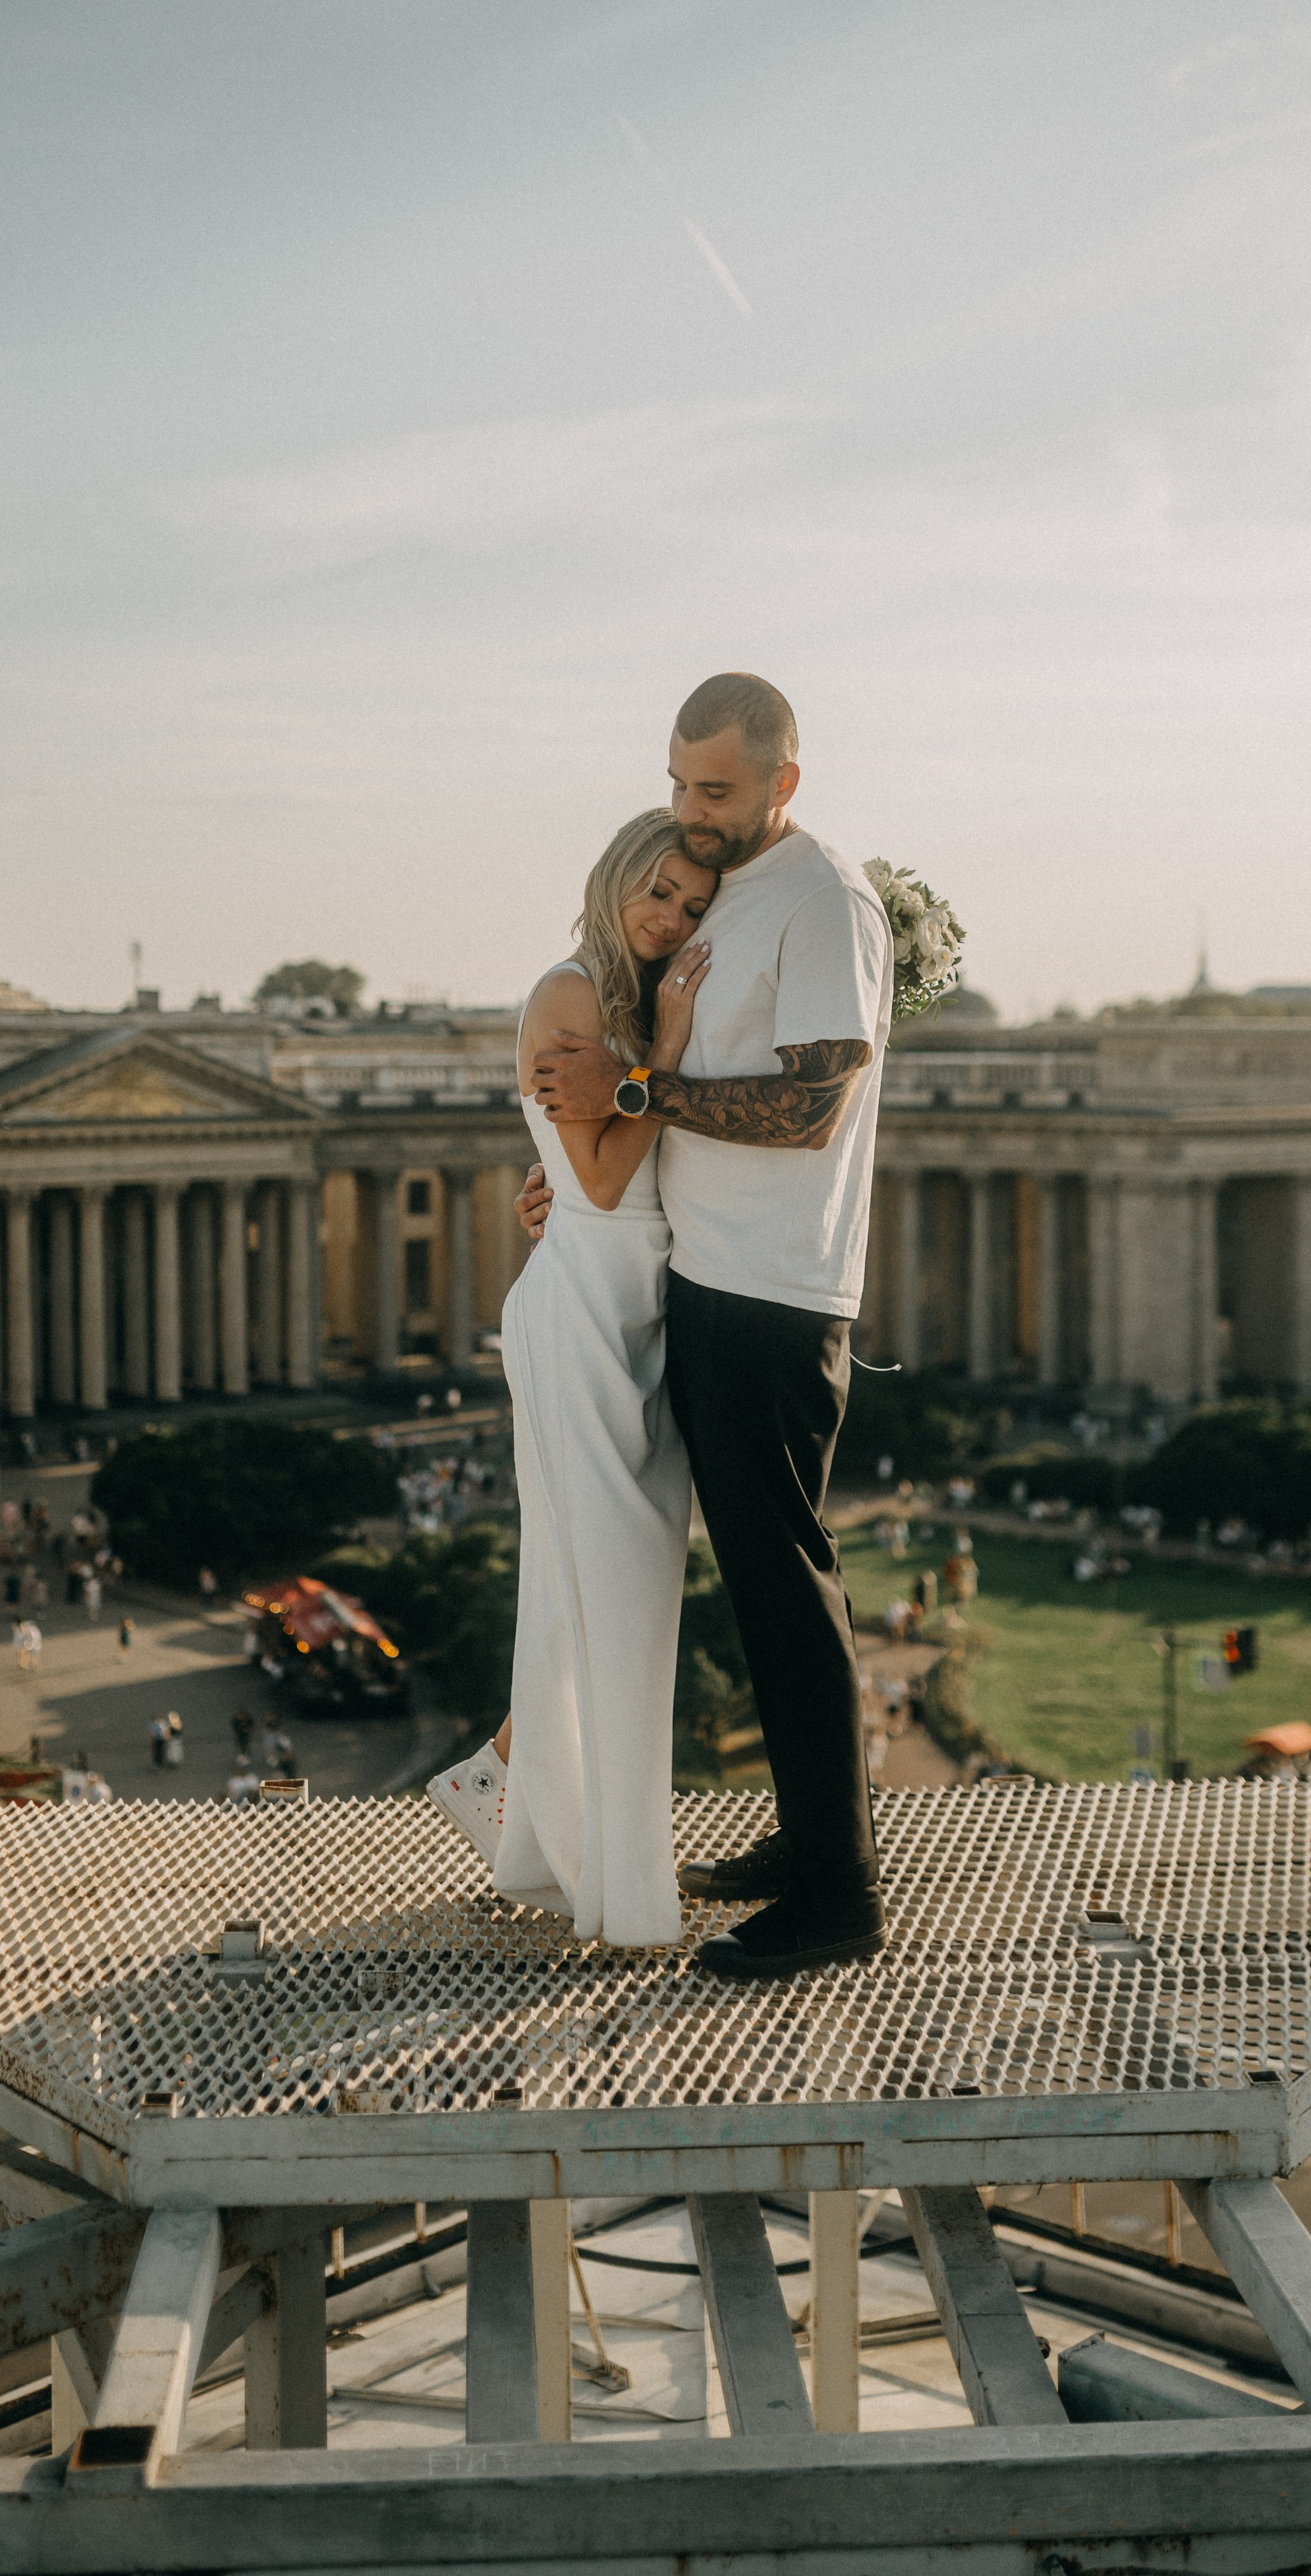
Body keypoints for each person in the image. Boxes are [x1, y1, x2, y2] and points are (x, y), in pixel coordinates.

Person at [525, 673, 893, 1981]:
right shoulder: (732, 885)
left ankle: (837, 1899)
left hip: (775, 1289)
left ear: (786, 781)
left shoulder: (828, 900)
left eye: (720, 790)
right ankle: (809, 1844)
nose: (694, 812)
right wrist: (574, 1168)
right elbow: (672, 1093)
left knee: (785, 1581)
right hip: (711, 1270)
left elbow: (808, 1112)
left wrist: (633, 1082)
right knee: (762, 1573)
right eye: (682, 784)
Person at [424, 807, 714, 1949]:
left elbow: (595, 1168)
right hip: (582, 1312)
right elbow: (594, 1184)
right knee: (616, 1592)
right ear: (612, 878)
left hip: (626, 1306)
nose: (670, 915)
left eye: (692, 906)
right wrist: (670, 1063)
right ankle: (612, 1874)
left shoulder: (636, 1006)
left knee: (590, 1590)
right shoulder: (570, 994)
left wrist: (656, 1066)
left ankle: (515, 1793)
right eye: (658, 891)